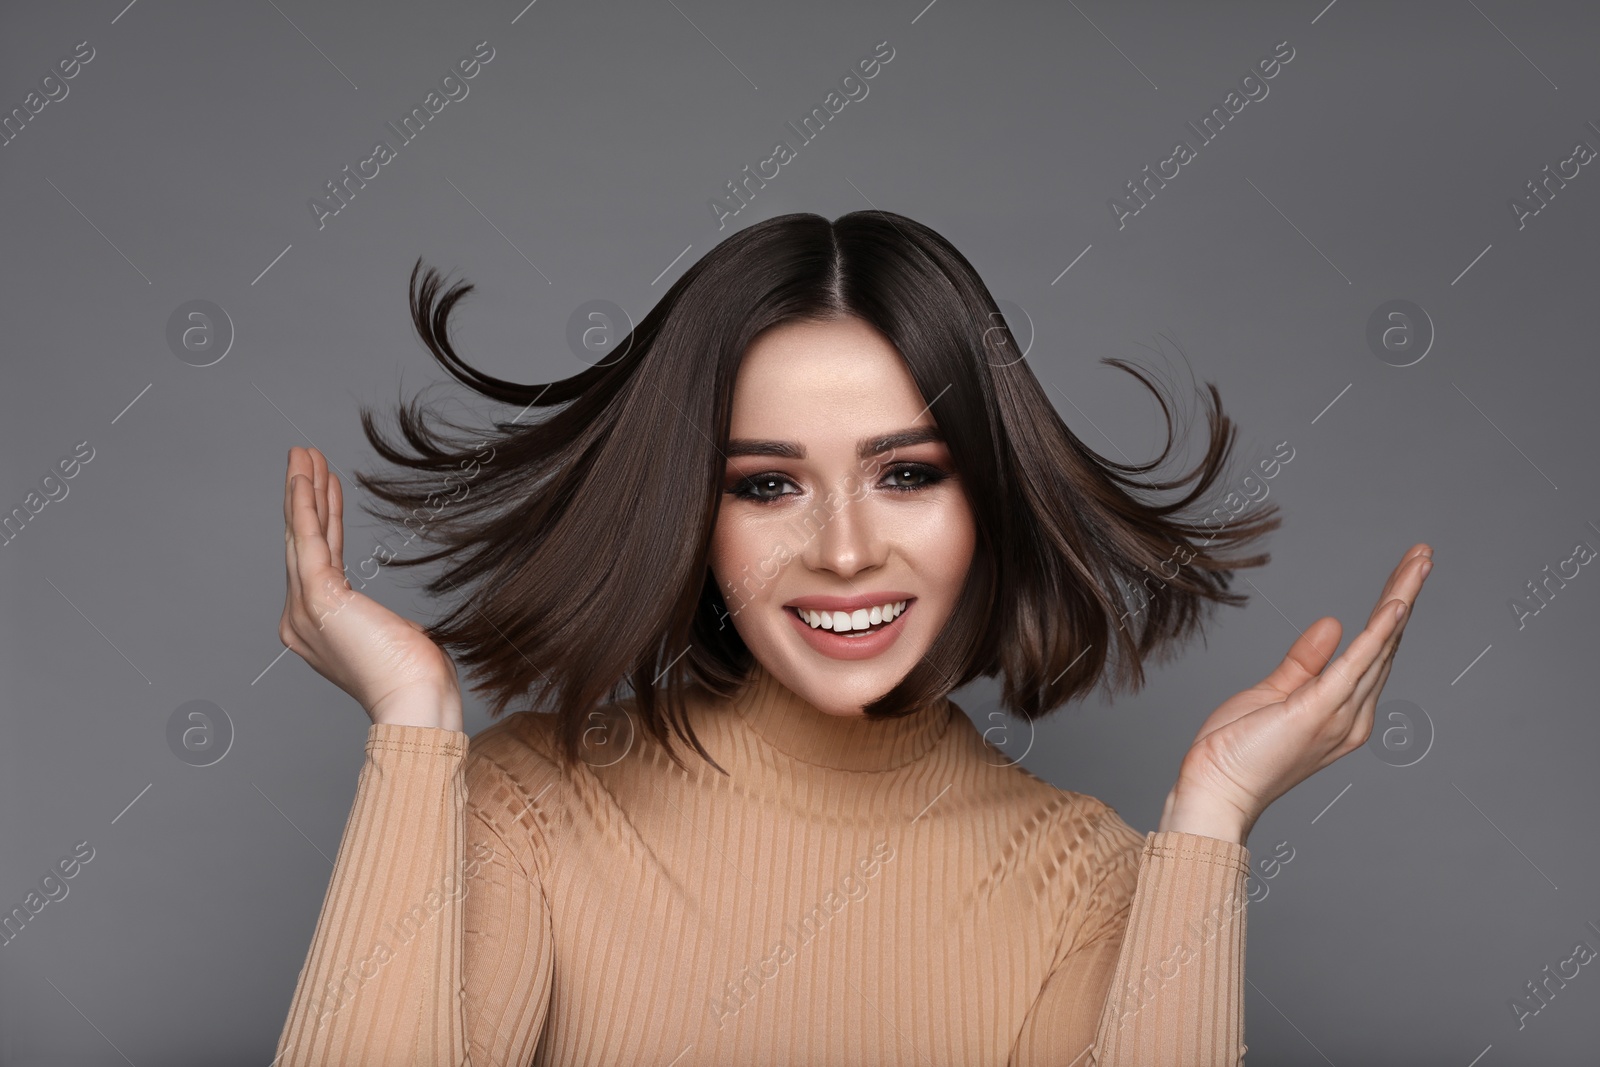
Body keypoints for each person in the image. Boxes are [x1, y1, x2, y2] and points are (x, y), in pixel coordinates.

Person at [271, 210, 1430, 1066]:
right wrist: (416, 725)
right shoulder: (525, 807)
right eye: (768, 486)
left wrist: (1209, 825)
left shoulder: (1092, 886)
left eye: (907, 473)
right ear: (693, 514)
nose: (841, 549)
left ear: (987, 500)